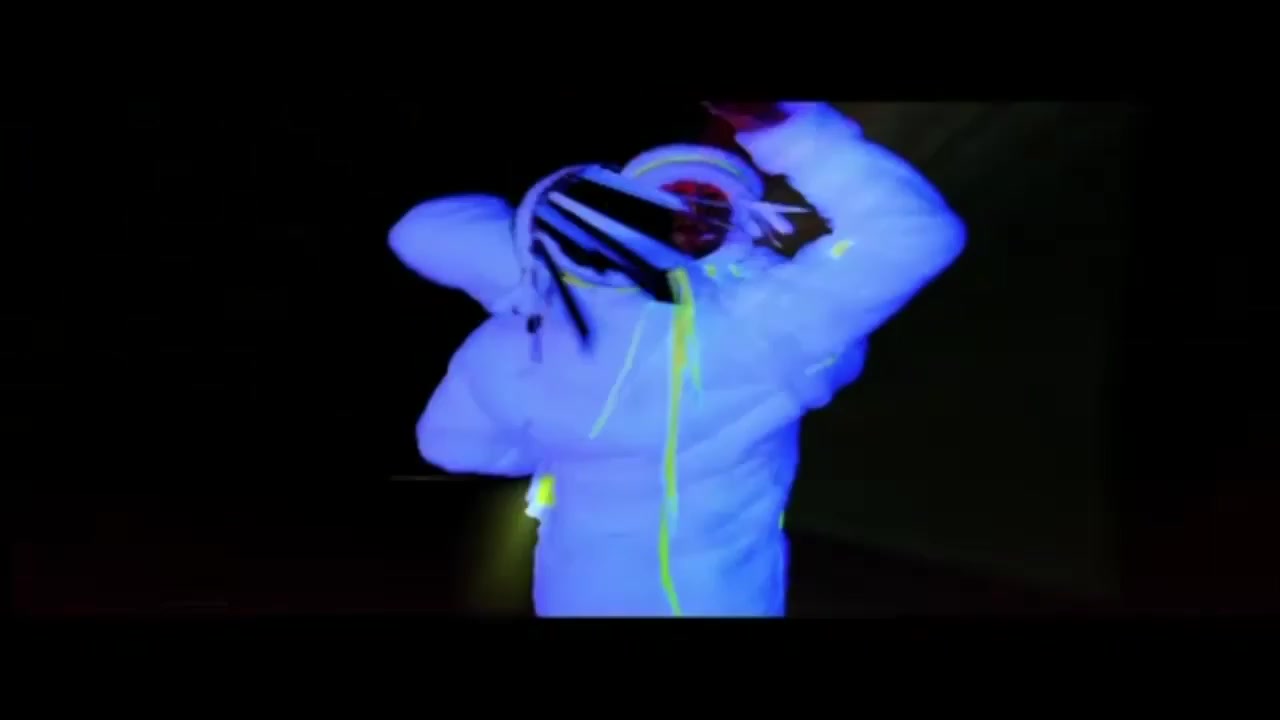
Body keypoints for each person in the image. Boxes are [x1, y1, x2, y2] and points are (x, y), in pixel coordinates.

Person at [389, 102, 965, 617]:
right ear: (631, 215)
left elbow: (457, 445)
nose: (689, 215)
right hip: (700, 597)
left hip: (594, 593)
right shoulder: (763, 324)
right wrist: (791, 134)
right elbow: (908, 233)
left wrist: (567, 439)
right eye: (671, 202)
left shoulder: (519, 338)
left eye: (708, 202)